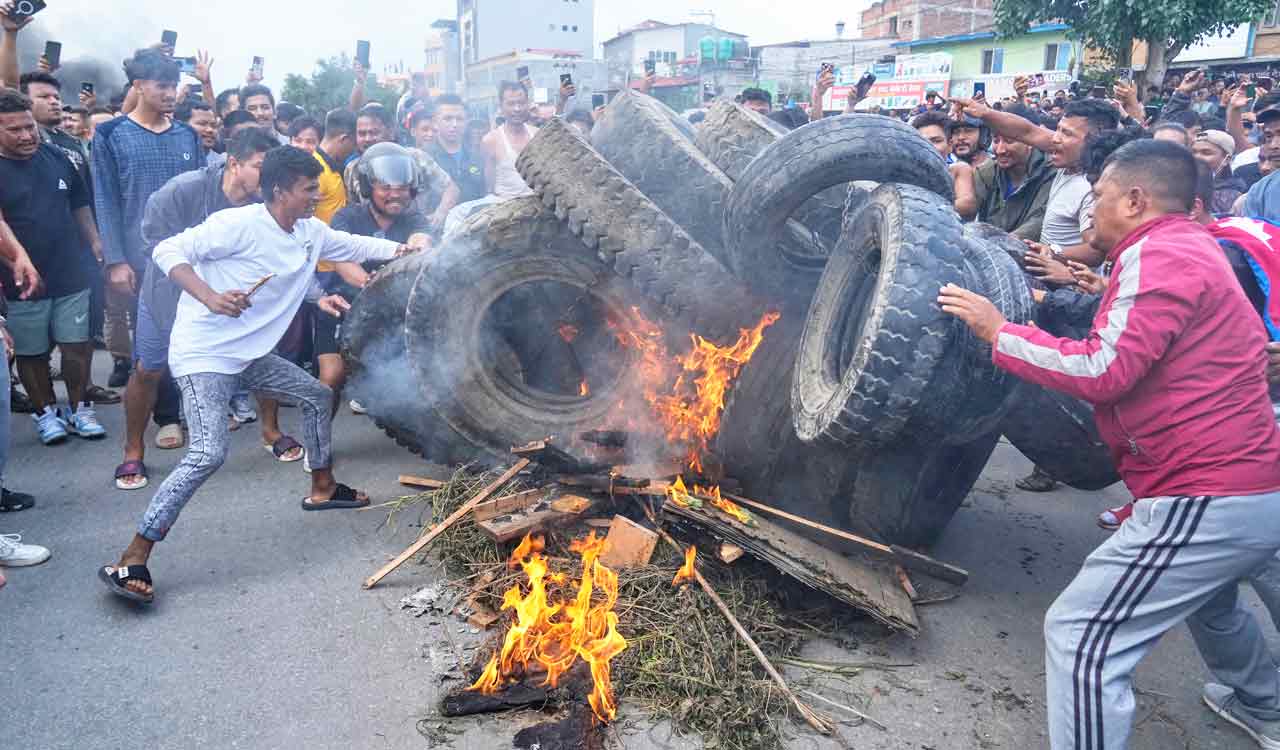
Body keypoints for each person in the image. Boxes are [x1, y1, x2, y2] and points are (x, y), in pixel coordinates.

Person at [940, 139, 1280, 750]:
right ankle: (1263, 704)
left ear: (1136, 199)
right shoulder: (1188, 249)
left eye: (1098, 197)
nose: (1091, 211)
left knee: (1081, 635)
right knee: (1211, 601)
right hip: (1250, 485)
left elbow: (1103, 370)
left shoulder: (1159, 253)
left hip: (1205, 494)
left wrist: (1000, 332)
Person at [98, 146, 423, 604]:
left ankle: (323, 487)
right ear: (279, 191)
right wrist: (210, 296)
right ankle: (133, 556)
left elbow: (357, 246)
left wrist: (407, 248)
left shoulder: (309, 232)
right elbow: (168, 249)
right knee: (209, 452)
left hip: (250, 355)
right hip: (206, 356)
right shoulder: (239, 224)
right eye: (309, 189)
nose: (316, 196)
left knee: (314, 394)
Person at [113, 127, 279, 491]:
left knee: (262, 356)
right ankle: (133, 447)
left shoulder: (266, 201)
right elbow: (158, 249)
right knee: (149, 369)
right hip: (168, 292)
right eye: (260, 167)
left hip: (236, 294)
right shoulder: (181, 191)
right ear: (234, 163)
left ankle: (271, 431)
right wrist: (205, 294)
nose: (269, 178)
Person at [92, 49, 203, 406]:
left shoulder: (188, 135)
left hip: (188, 254)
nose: (170, 94)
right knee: (152, 342)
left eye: (174, 86)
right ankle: (166, 416)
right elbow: (105, 201)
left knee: (192, 331)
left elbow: (201, 199)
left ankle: (195, 408)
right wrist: (115, 260)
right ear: (138, 86)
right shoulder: (110, 135)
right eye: (162, 86)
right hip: (140, 258)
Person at [0, 88, 106, 443]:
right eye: (14, 130)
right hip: (20, 280)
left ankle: (79, 408)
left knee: (77, 344)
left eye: (29, 127)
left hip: (70, 271)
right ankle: (46, 413)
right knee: (31, 352)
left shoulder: (59, 157)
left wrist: (93, 240)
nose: (27, 135)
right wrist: (17, 259)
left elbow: (80, 204)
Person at [322, 143, 430, 416]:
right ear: (368, 188)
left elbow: (421, 241)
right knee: (331, 377)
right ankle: (318, 440)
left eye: (402, 187)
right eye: (385, 187)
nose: (395, 195)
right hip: (344, 304)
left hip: (395, 308)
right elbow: (344, 264)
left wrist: (419, 246)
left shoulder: (414, 217)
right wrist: (375, 285)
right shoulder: (347, 217)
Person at [345, 104, 456, 228]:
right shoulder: (353, 169)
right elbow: (355, 210)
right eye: (362, 133)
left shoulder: (416, 158)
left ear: (390, 132)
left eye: (374, 132)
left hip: (421, 235)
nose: (367, 139)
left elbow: (451, 189)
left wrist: (439, 215)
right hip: (379, 242)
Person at [972, 104, 1055, 240]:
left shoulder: (1050, 172)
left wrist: (1002, 244)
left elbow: (1038, 222)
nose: (1000, 150)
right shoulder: (986, 172)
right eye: (996, 140)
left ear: (1029, 141)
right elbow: (969, 210)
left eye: (1009, 141)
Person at [480, 82, 538, 202]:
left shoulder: (537, 135)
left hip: (537, 207)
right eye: (511, 104)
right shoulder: (490, 140)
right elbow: (489, 187)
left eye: (521, 103)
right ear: (501, 106)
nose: (517, 109)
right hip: (505, 209)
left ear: (527, 104)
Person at [429, 93, 486, 204]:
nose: (454, 124)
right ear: (435, 123)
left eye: (459, 119)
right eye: (448, 118)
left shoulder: (477, 157)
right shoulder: (425, 159)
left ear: (466, 122)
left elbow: (484, 194)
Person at [312, 108, 357, 225]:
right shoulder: (315, 170)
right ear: (344, 139)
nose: (354, 149)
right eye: (354, 143)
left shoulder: (333, 166)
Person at [1193, 129, 1246, 216]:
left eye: (1206, 153)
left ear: (1227, 159)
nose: (1197, 157)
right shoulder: (1182, 186)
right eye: (1194, 152)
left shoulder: (1235, 196)